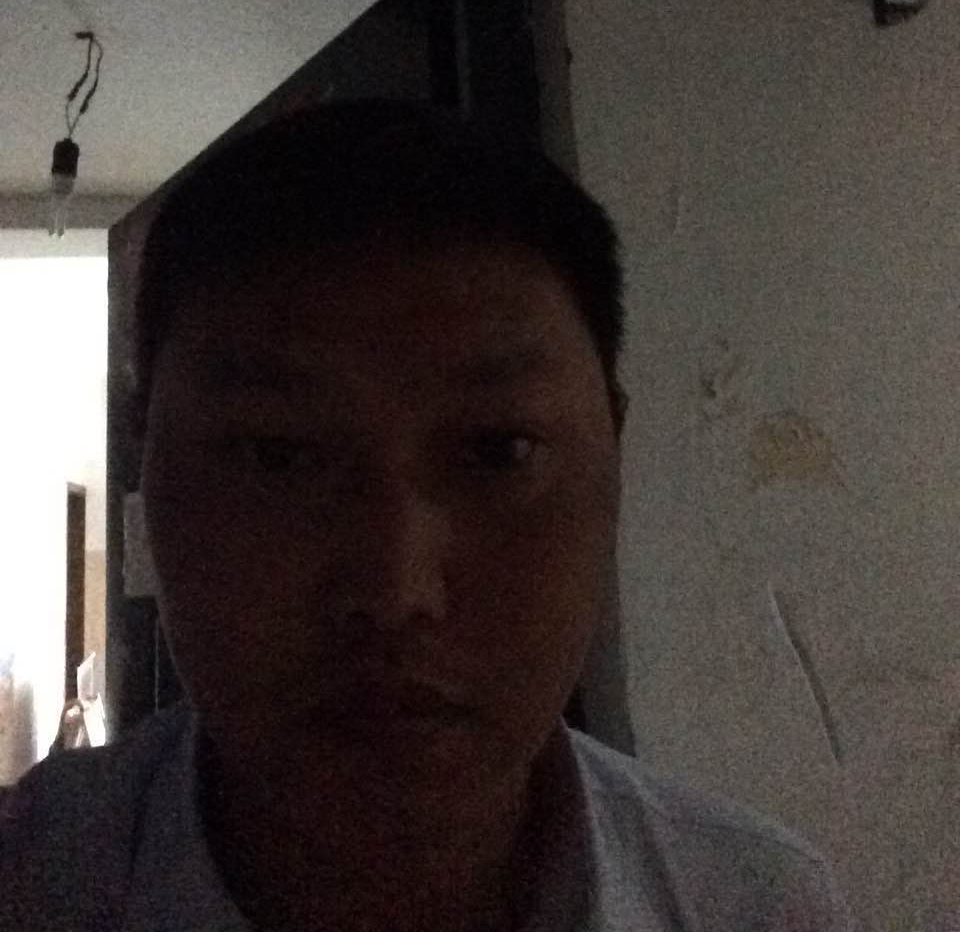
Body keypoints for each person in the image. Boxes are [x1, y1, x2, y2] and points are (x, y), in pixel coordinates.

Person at [0, 99, 852, 931]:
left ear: (615, 454)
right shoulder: (32, 879)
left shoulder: (756, 903)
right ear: (143, 462)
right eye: (278, 455)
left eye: (498, 451)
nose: (395, 590)